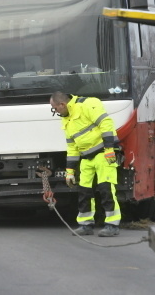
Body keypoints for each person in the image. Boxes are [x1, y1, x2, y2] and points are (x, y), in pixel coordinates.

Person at [50, 91, 121, 237]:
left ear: (62, 104)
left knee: (106, 188)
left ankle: (112, 225)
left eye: (55, 108)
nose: (55, 111)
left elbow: (106, 124)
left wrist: (109, 149)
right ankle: (85, 224)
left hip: (103, 154)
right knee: (84, 191)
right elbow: (72, 147)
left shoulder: (88, 104)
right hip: (86, 157)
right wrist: (69, 171)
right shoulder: (67, 119)